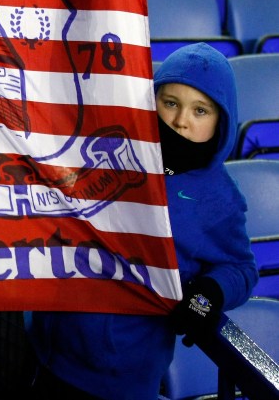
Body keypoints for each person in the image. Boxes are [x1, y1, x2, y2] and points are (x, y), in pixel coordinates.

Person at [28, 42, 258, 400]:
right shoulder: (113, 151)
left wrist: (209, 294)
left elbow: (240, 267)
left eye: (200, 110)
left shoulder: (220, 199)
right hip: (49, 352)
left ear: (222, 120)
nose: (182, 120)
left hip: (123, 374)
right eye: (170, 103)